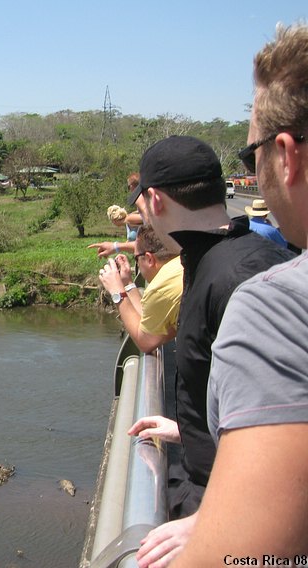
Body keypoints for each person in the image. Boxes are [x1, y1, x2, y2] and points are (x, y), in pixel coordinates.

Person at [172, 22, 308, 566]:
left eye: (251, 151)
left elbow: (246, 560)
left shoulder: (277, 307)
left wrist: (222, 521)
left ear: (285, 154)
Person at [124, 135, 294, 567]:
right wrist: (193, 428)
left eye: (140, 203)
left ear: (155, 201)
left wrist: (216, 523)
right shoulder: (215, 259)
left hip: (237, 521)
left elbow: (293, 426)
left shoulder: (239, 277)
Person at [97, 224, 182, 353]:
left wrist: (117, 293)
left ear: (149, 259)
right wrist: (127, 283)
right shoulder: (179, 265)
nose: (136, 264)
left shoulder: (161, 287)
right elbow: (149, 323)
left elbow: (146, 342)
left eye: (136, 259)